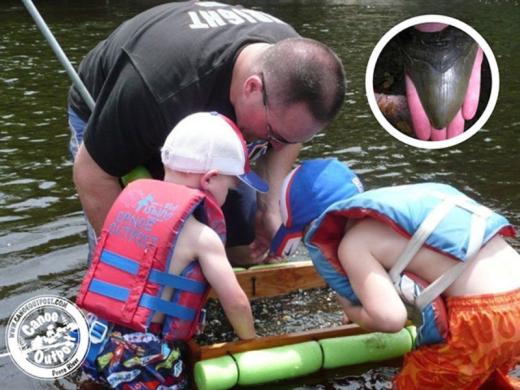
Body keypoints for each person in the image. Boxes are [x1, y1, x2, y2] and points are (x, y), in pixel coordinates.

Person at [68, 1, 346, 265]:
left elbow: (287, 138)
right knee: (135, 245)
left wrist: (268, 207)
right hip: (123, 106)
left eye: (289, 138)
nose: (273, 146)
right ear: (251, 88)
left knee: (242, 237)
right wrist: (132, 265)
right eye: (272, 134)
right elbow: (93, 175)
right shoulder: (155, 91)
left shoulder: (293, 66)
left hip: (205, 101)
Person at [270, 158, 520, 389]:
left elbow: (390, 320)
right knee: (482, 377)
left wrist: (354, 311)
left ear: (319, 227)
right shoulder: (402, 207)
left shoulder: (352, 244)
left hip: (483, 319)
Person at [76, 112, 259, 389]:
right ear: (209, 179)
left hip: (92, 335)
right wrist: (252, 343)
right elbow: (235, 302)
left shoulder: (132, 201)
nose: (229, 195)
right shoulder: (202, 236)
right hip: (142, 353)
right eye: (230, 187)